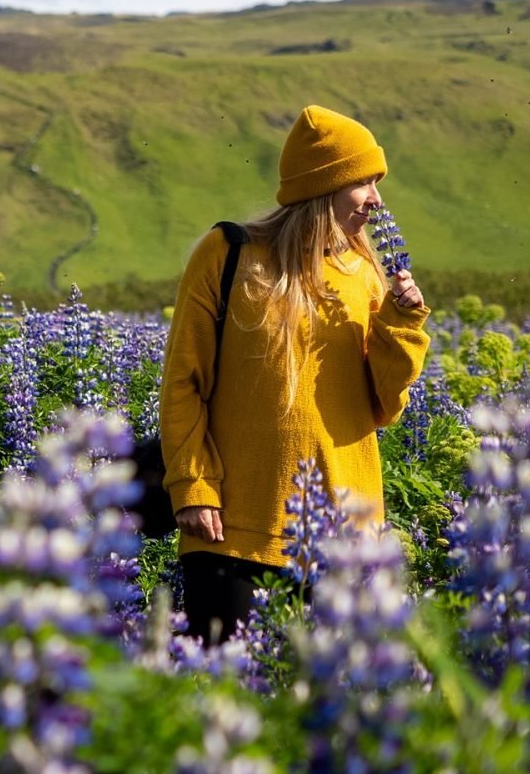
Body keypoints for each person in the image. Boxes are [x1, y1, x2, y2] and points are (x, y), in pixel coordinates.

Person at [158, 104, 431, 644]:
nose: (377, 199)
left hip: (345, 534)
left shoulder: (366, 274)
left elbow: (385, 404)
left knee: (328, 715)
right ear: (323, 185)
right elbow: (183, 381)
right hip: (231, 527)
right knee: (229, 703)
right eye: (364, 182)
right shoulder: (229, 252)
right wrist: (192, 484)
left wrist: (403, 322)